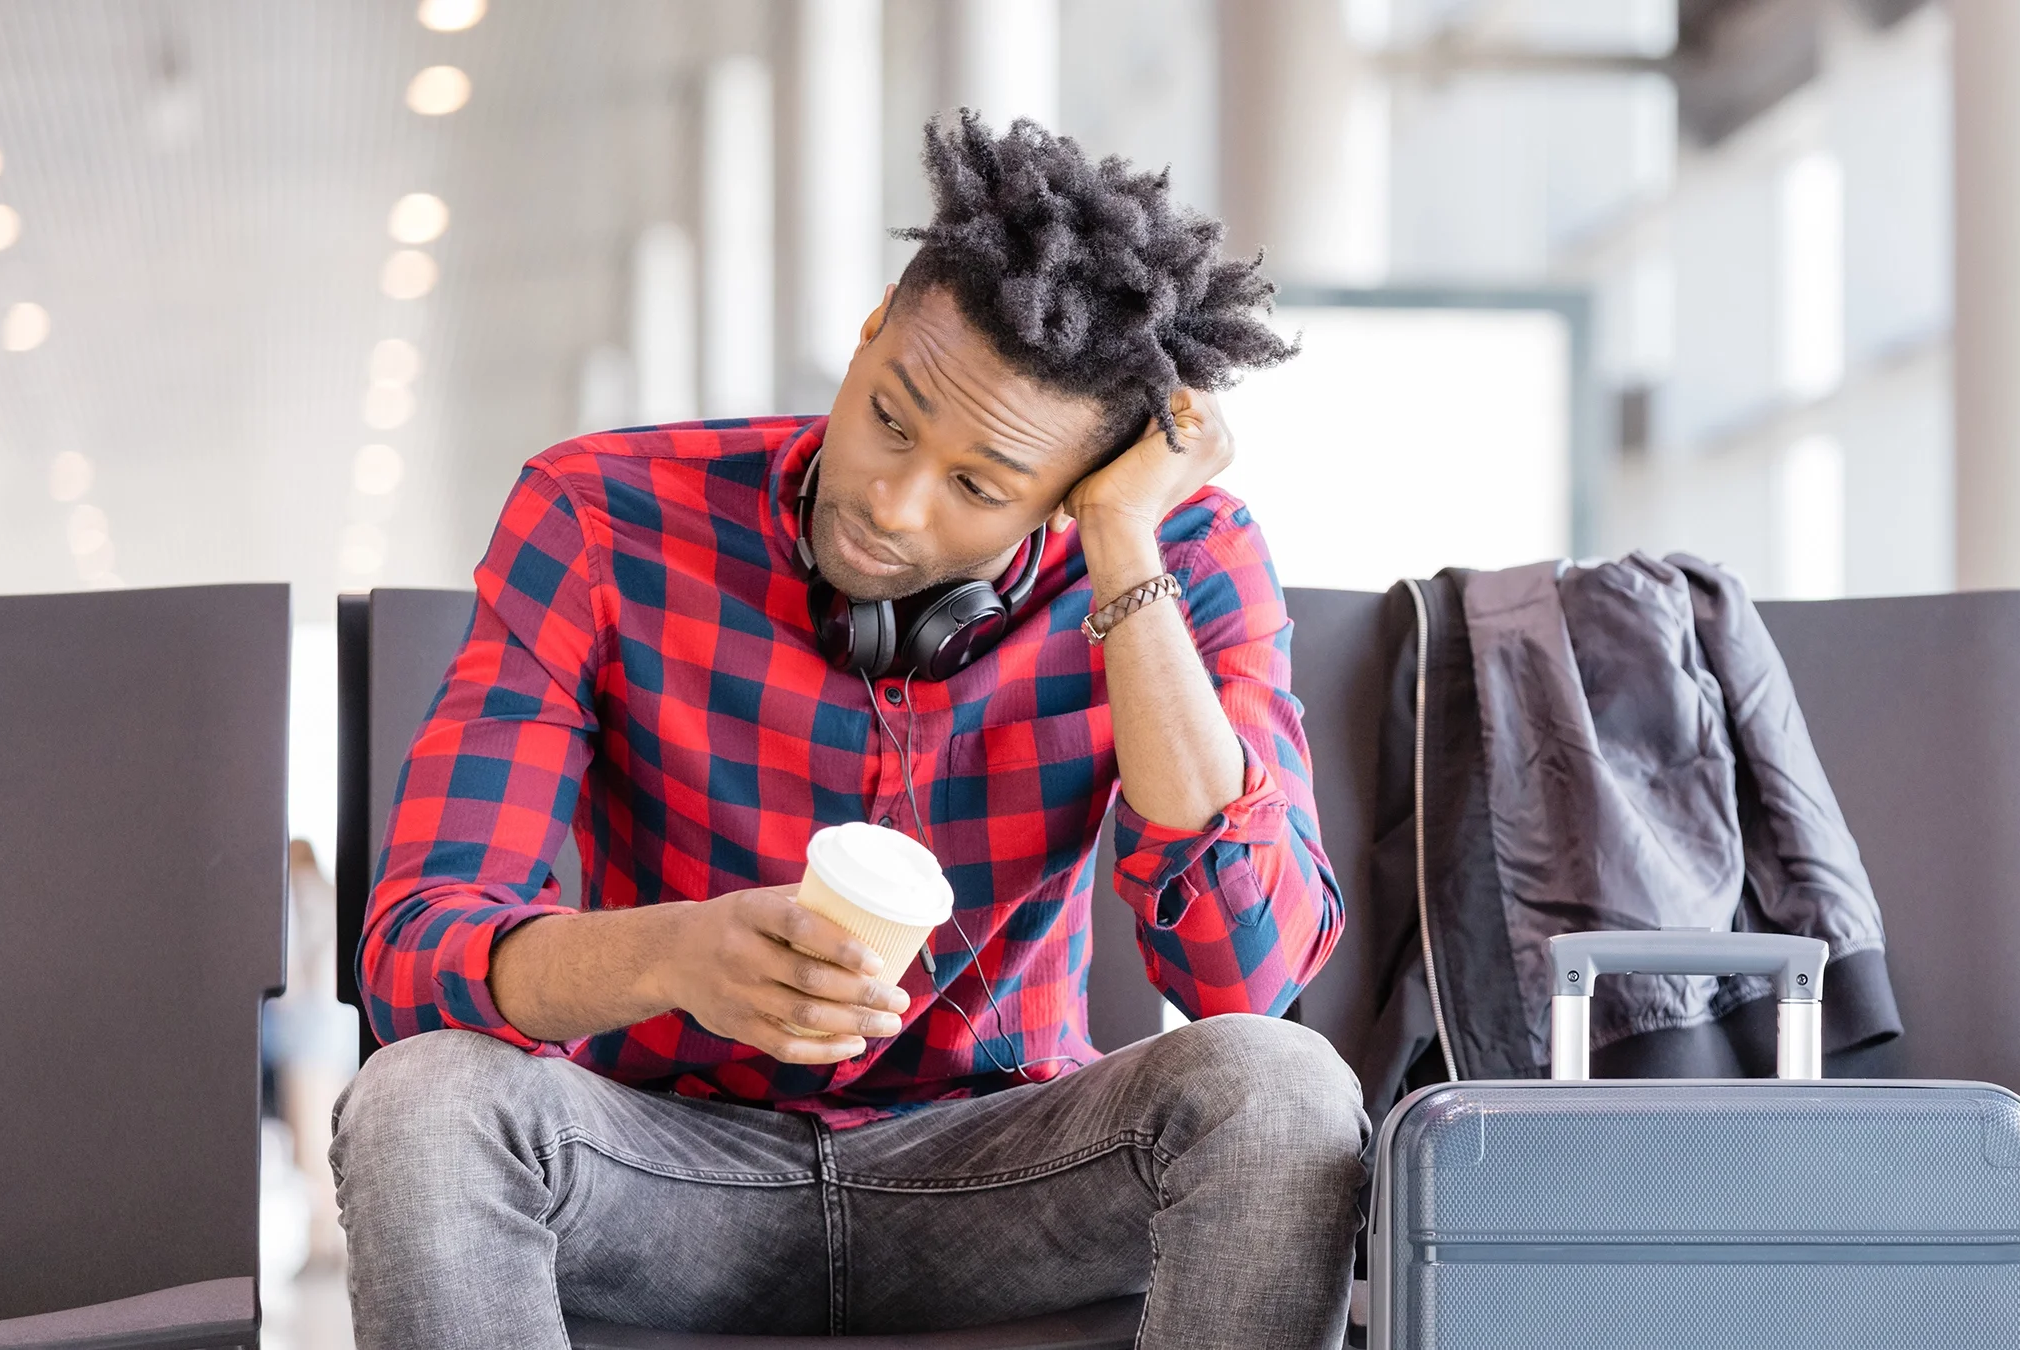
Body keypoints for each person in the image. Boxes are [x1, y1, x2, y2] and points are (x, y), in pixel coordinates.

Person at [331, 112, 1366, 1350]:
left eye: (982, 488)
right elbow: (415, 951)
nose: (891, 498)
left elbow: (1246, 980)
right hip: (660, 1167)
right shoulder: (603, 517)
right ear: (874, 326)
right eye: (890, 415)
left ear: (1072, 492)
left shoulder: (1178, 560)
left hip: (1000, 1171)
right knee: (418, 1103)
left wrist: (1125, 553)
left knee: (1284, 1087)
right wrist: (672, 958)